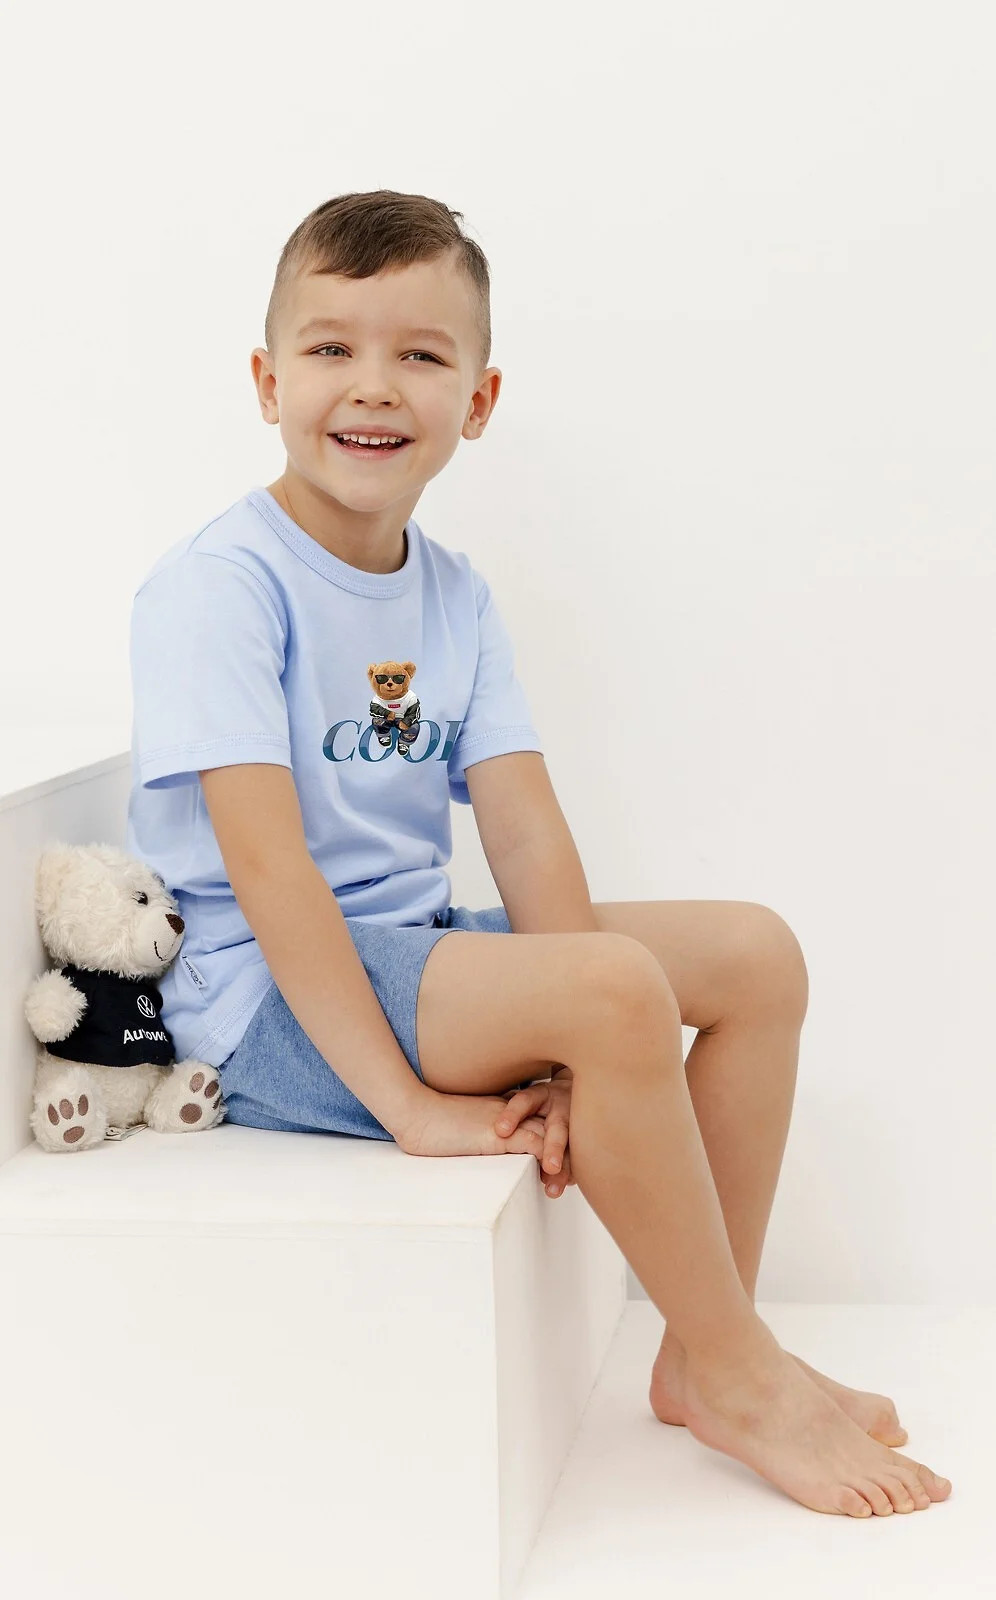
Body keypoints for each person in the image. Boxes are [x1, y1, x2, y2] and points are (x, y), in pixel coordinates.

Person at [126, 189, 950, 1519]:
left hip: (412, 949)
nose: (372, 385)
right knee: (612, 987)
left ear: (481, 398)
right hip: (266, 998)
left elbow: (523, 826)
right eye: (331, 349)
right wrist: (415, 1109)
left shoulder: (453, 594)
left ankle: (704, 1346)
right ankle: (748, 1379)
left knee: (753, 956)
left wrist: (571, 1034)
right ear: (269, 382)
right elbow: (270, 876)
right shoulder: (221, 584)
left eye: (420, 353)